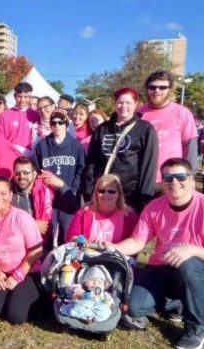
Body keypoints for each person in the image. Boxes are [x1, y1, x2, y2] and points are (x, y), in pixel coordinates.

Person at [115, 158, 204, 349]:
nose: (174, 182)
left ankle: (196, 328)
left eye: (180, 176)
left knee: (187, 265)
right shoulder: (154, 207)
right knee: (134, 307)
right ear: (162, 181)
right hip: (161, 267)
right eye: (168, 177)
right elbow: (138, 242)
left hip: (195, 269)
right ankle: (181, 302)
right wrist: (110, 248)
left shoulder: (202, 206)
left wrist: (193, 249)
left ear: (191, 179)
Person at [0, 177, 43, 324]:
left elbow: (37, 251)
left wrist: (19, 275)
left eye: (3, 193)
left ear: (11, 195)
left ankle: (37, 300)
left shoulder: (22, 217)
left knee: (16, 317)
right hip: (1, 271)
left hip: (27, 271)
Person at [83, 87, 158, 212]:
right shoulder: (102, 129)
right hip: (105, 193)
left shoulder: (145, 129)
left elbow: (148, 167)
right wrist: (88, 192)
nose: (123, 106)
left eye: (128, 103)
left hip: (130, 196)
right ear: (114, 104)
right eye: (120, 102)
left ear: (136, 104)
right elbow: (92, 163)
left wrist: (143, 201)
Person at [33, 109, 85, 247]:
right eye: (53, 123)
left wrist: (72, 189)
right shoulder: (41, 146)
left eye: (60, 122)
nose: (56, 125)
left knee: (68, 235)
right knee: (47, 235)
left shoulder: (76, 146)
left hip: (69, 196)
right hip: (48, 198)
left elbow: (81, 170)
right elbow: (38, 171)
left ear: (66, 124)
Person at [139, 70, 198, 185]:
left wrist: (190, 178)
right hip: (142, 179)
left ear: (170, 90)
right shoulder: (138, 113)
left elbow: (190, 148)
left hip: (172, 180)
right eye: (152, 87)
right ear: (147, 89)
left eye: (162, 87)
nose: (157, 91)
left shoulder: (182, 113)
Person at [66, 174, 138, 243]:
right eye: (101, 191)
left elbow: (135, 244)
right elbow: (70, 240)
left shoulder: (129, 217)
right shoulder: (83, 214)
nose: (106, 194)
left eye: (112, 191)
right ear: (96, 194)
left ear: (119, 194)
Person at [11, 156, 53, 239]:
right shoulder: (9, 194)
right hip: (20, 244)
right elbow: (4, 221)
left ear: (34, 174)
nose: (21, 176)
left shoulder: (47, 190)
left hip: (48, 242)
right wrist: (32, 225)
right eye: (17, 173)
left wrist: (62, 185)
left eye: (26, 173)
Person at [0, 82, 40, 154]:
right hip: (10, 154)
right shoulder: (4, 115)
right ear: (14, 96)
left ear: (30, 98)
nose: (22, 100)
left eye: (25, 97)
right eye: (19, 96)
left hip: (30, 156)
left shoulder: (36, 115)